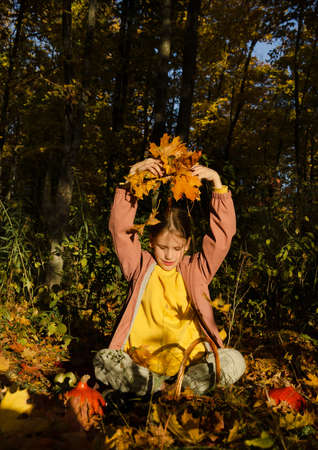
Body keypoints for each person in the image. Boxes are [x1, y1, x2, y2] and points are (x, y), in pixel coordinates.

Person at [93, 158, 245, 396]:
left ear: (186, 246)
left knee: (234, 360)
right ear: (151, 241)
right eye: (162, 246)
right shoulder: (140, 265)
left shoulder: (197, 269)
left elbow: (222, 238)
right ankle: (157, 387)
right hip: (142, 366)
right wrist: (132, 177)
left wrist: (217, 184)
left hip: (191, 365)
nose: (168, 255)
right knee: (104, 359)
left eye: (176, 248)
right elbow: (120, 230)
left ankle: (182, 386)